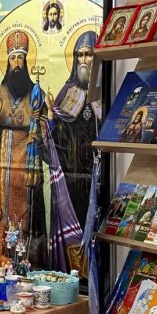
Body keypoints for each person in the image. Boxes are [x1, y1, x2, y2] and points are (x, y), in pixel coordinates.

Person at [0, 30, 47, 268]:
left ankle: (27, 266)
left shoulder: (36, 94)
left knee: (28, 219)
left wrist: (41, 121)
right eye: (13, 58)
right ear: (7, 61)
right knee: (3, 219)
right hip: (2, 170)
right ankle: (1, 264)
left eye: (21, 58)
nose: (17, 63)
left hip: (27, 171)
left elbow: (47, 131)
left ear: (26, 61)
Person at [47, 30, 101, 229]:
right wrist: (51, 117)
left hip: (97, 170)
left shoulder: (105, 91)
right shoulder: (67, 92)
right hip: (72, 172)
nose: (84, 60)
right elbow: (57, 139)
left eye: (89, 54)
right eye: (80, 55)